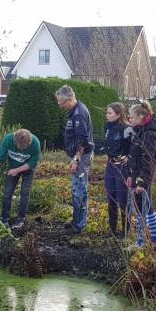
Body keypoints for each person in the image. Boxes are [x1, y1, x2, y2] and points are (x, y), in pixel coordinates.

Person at [0, 128, 41, 229]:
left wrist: (17, 170)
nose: (21, 150)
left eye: (24, 148)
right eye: (20, 147)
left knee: (25, 192)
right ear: (15, 142)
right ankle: (4, 219)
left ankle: (20, 219)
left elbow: (32, 163)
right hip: (12, 166)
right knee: (7, 192)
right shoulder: (8, 140)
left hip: (28, 168)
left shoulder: (35, 143)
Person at [55, 85, 94, 234]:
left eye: (62, 102)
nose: (60, 105)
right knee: (76, 188)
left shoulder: (79, 114)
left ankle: (79, 226)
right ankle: (76, 221)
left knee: (80, 190)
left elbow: (82, 141)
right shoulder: (74, 112)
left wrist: (76, 160)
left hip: (81, 157)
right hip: (78, 155)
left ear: (70, 99)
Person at [126, 101, 156, 245]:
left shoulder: (149, 135)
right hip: (136, 175)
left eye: (132, 117)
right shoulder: (139, 132)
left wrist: (142, 182)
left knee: (142, 210)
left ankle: (141, 242)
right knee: (147, 208)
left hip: (143, 177)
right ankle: (154, 240)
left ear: (141, 117)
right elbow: (133, 157)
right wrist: (130, 175)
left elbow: (148, 160)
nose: (130, 119)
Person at [103, 102, 134, 239]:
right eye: (107, 113)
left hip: (123, 168)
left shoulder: (127, 129)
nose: (107, 115)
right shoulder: (108, 127)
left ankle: (126, 231)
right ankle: (112, 229)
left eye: (109, 113)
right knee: (111, 198)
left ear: (119, 114)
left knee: (123, 200)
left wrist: (129, 158)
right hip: (111, 166)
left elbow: (134, 148)